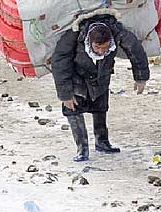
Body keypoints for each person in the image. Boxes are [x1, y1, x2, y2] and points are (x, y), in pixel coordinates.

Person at [52, 14, 149, 162]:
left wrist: (141, 77)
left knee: (100, 107)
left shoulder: (118, 32)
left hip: (101, 76)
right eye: (97, 47)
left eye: (105, 48)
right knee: (73, 110)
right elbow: (59, 62)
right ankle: (82, 148)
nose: (101, 52)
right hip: (77, 78)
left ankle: (102, 141)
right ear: (89, 41)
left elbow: (136, 51)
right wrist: (65, 94)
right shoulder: (74, 35)